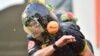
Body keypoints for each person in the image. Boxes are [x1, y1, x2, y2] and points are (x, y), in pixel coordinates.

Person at [21, 2, 94, 56]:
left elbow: (88, 54)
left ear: (44, 22)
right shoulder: (33, 38)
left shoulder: (68, 31)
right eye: (30, 26)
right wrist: (56, 45)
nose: (32, 29)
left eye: (34, 24)